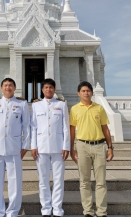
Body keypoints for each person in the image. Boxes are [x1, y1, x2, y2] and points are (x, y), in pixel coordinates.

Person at [0, 77, 30, 217]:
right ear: (1, 88)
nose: (8, 88)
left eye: (10, 85)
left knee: (15, 181)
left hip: (14, 147)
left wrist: (25, 145)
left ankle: (13, 211)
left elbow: (26, 127)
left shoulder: (21, 103)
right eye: (5, 85)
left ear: (15, 88)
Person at [70, 81, 114, 217]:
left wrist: (110, 147)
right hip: (82, 146)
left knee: (101, 181)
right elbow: (72, 130)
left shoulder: (99, 108)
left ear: (92, 93)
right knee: (84, 181)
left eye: (88, 90)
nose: (86, 93)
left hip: (99, 146)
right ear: (78, 93)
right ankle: (88, 211)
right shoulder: (74, 109)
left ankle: (101, 211)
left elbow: (105, 129)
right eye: (83, 91)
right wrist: (72, 148)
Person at [31, 78, 70, 217]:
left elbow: (66, 127)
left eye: (51, 87)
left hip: (58, 146)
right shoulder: (36, 106)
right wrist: (33, 146)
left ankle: (58, 209)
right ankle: (46, 208)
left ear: (54, 89)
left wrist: (66, 146)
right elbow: (33, 127)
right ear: (42, 90)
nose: (48, 90)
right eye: (46, 87)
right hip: (41, 147)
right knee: (43, 180)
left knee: (58, 179)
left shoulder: (61, 104)